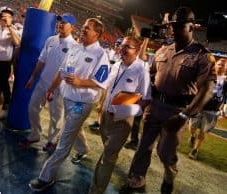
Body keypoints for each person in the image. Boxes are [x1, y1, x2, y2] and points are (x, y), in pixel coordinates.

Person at [127, 7, 216, 194]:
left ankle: (170, 172)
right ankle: (136, 181)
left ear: (192, 27)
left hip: (177, 110)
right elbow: (150, 76)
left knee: (165, 153)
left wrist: (184, 115)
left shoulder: (202, 56)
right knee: (143, 146)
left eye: (178, 26)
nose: (173, 29)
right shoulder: (162, 50)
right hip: (155, 105)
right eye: (171, 26)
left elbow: (207, 90)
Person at [29, 18, 110, 192]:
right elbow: (62, 70)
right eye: (83, 27)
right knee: (73, 127)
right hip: (67, 97)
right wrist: (52, 88)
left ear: (97, 33)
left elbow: (101, 82)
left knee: (65, 138)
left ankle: (46, 176)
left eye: (87, 28)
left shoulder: (101, 54)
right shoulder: (75, 47)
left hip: (82, 101)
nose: (83, 30)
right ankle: (83, 148)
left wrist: (80, 82)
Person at [89, 36, 151, 194]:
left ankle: (96, 190)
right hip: (105, 116)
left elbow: (146, 98)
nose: (122, 49)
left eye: (128, 47)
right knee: (108, 152)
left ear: (136, 51)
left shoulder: (142, 69)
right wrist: (102, 106)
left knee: (108, 157)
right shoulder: (116, 64)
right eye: (122, 45)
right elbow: (109, 88)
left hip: (122, 120)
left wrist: (131, 110)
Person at [21, 13, 78, 152]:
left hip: (59, 87)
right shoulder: (51, 39)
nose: (61, 24)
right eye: (60, 21)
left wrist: (55, 87)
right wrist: (33, 77)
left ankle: (52, 140)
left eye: (65, 22)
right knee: (32, 107)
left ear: (73, 27)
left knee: (56, 116)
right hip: (43, 81)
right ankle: (35, 134)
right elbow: (42, 60)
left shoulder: (74, 47)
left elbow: (67, 71)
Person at [188, 58, 227, 159]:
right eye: (219, 64)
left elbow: (224, 96)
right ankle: (192, 136)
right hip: (199, 107)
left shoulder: (225, 82)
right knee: (192, 127)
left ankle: (195, 150)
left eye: (223, 65)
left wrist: (222, 108)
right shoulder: (206, 77)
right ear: (215, 65)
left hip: (212, 110)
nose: (221, 66)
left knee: (203, 131)